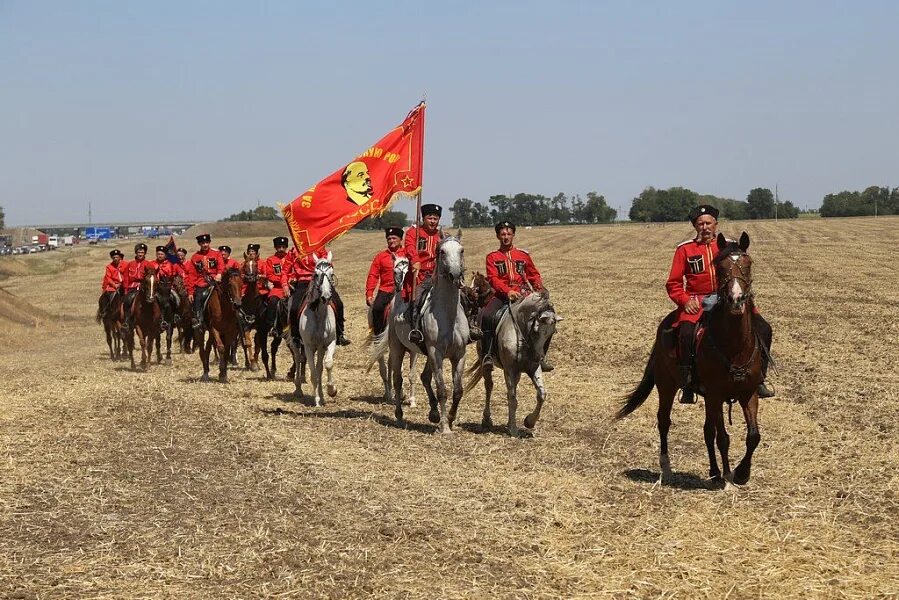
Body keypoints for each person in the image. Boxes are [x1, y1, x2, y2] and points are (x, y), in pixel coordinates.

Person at [666, 204, 774, 403]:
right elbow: (673, 283)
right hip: (697, 301)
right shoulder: (685, 250)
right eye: (700, 223)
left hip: (728, 298)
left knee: (765, 329)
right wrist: (684, 300)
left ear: (716, 224)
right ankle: (688, 381)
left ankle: (759, 379)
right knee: (686, 332)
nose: (705, 227)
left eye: (708, 223)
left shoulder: (728, 245)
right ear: (695, 226)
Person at [480, 220, 553, 371]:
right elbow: (493, 279)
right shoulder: (492, 257)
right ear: (498, 237)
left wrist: (539, 289)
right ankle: (487, 355)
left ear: (513, 235)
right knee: (486, 316)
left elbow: (533, 275)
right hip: (502, 296)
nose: (506, 237)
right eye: (502, 234)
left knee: (549, 316)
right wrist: (507, 291)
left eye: (509, 234)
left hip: (524, 294)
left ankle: (542, 356)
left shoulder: (523, 255)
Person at [282, 243, 351, 346]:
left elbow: (328, 263)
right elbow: (284, 270)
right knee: (294, 309)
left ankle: (340, 333)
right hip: (302, 282)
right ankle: (296, 337)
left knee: (339, 304)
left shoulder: (319, 248)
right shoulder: (293, 251)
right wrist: (284, 285)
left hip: (319, 280)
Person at [404, 203, 442, 343]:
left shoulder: (441, 235)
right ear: (423, 218)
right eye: (430, 218)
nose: (432, 221)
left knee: (462, 296)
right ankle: (416, 329)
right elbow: (409, 247)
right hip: (420, 275)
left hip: (439, 275)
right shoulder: (414, 232)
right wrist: (415, 259)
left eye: (435, 218)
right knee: (418, 299)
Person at [365, 226, 408, 335]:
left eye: (394, 238)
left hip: (405, 289)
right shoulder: (380, 256)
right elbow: (373, 275)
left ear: (400, 239)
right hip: (386, 290)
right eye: (389, 239)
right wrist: (369, 293)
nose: (391, 241)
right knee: (377, 308)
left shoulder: (408, 254)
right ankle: (378, 336)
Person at [185, 233, 224, 331]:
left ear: (209, 242)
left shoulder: (217, 254)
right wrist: (190, 291)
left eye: (207, 242)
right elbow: (192, 275)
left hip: (216, 281)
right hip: (202, 283)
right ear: (199, 244)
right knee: (198, 297)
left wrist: (219, 274)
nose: (205, 245)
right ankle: (199, 319)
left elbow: (221, 265)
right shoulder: (195, 257)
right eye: (203, 243)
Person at [121, 242, 151, 332]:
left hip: (144, 287)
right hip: (132, 286)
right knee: (127, 300)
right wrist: (126, 289)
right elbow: (126, 277)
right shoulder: (130, 264)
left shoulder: (148, 264)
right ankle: (126, 321)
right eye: (139, 252)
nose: (140, 254)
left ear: (145, 253)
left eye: (142, 252)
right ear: (136, 253)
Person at [98, 249, 125, 321]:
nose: (115, 259)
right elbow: (108, 278)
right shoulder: (109, 267)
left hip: (124, 285)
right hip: (113, 287)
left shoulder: (125, 264)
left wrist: (122, 283)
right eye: (114, 257)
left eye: (117, 257)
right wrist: (114, 285)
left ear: (120, 257)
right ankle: (105, 312)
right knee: (105, 297)